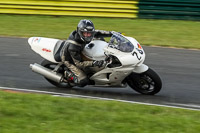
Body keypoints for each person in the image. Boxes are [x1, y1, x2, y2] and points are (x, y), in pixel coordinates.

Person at [61, 19, 113, 87]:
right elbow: (79, 64)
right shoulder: (73, 46)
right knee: (83, 81)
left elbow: (98, 33)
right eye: (85, 33)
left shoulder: (87, 33)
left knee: (100, 40)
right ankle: (67, 74)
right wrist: (94, 63)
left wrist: (112, 33)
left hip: (79, 51)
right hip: (68, 59)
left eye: (89, 33)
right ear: (80, 32)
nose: (88, 35)